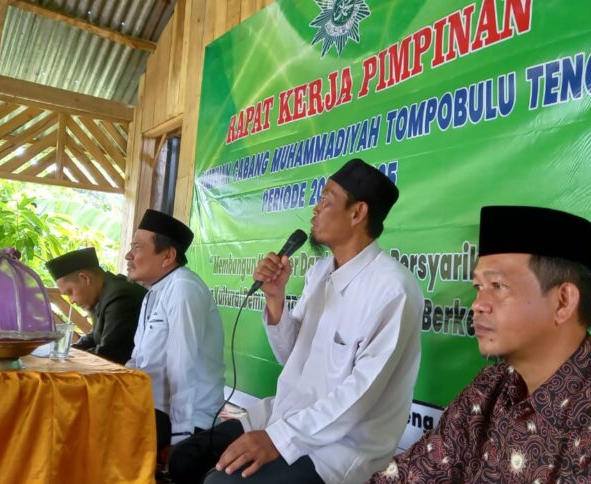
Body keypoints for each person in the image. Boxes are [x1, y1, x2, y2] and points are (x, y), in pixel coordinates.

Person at [370, 205, 591, 483]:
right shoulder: (491, 388)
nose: (478, 304)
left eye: (498, 286)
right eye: (478, 287)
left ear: (563, 301)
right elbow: (412, 474)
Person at [168, 158, 424, 484]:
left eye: (326, 200)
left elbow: (358, 399)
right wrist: (275, 298)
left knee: (220, 482)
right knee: (184, 460)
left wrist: (277, 440)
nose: (315, 209)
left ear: (357, 213)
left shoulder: (392, 290)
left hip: (341, 446)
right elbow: (291, 357)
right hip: (285, 414)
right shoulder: (319, 273)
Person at [125, 209, 225, 454]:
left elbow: (182, 366)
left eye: (137, 248)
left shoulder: (183, 289)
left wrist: (180, 438)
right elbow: (139, 361)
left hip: (185, 419)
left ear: (168, 255)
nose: (128, 255)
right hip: (150, 406)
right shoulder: (154, 292)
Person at [45, 247, 145, 364]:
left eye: (70, 292)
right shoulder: (105, 293)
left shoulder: (120, 296)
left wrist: (69, 359)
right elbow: (94, 336)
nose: (71, 301)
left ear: (85, 278)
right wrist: (69, 351)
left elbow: (110, 353)